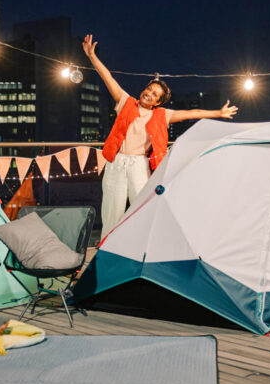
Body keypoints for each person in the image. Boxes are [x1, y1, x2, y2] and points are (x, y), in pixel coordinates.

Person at [83, 34, 238, 236]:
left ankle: (138, 248)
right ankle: (106, 248)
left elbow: (191, 113)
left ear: (158, 102)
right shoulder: (125, 102)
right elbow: (108, 78)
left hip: (139, 165)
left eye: (154, 94)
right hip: (117, 163)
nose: (149, 93)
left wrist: (219, 113)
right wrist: (92, 56)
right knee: (112, 212)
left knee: (142, 210)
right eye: (149, 89)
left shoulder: (162, 115)